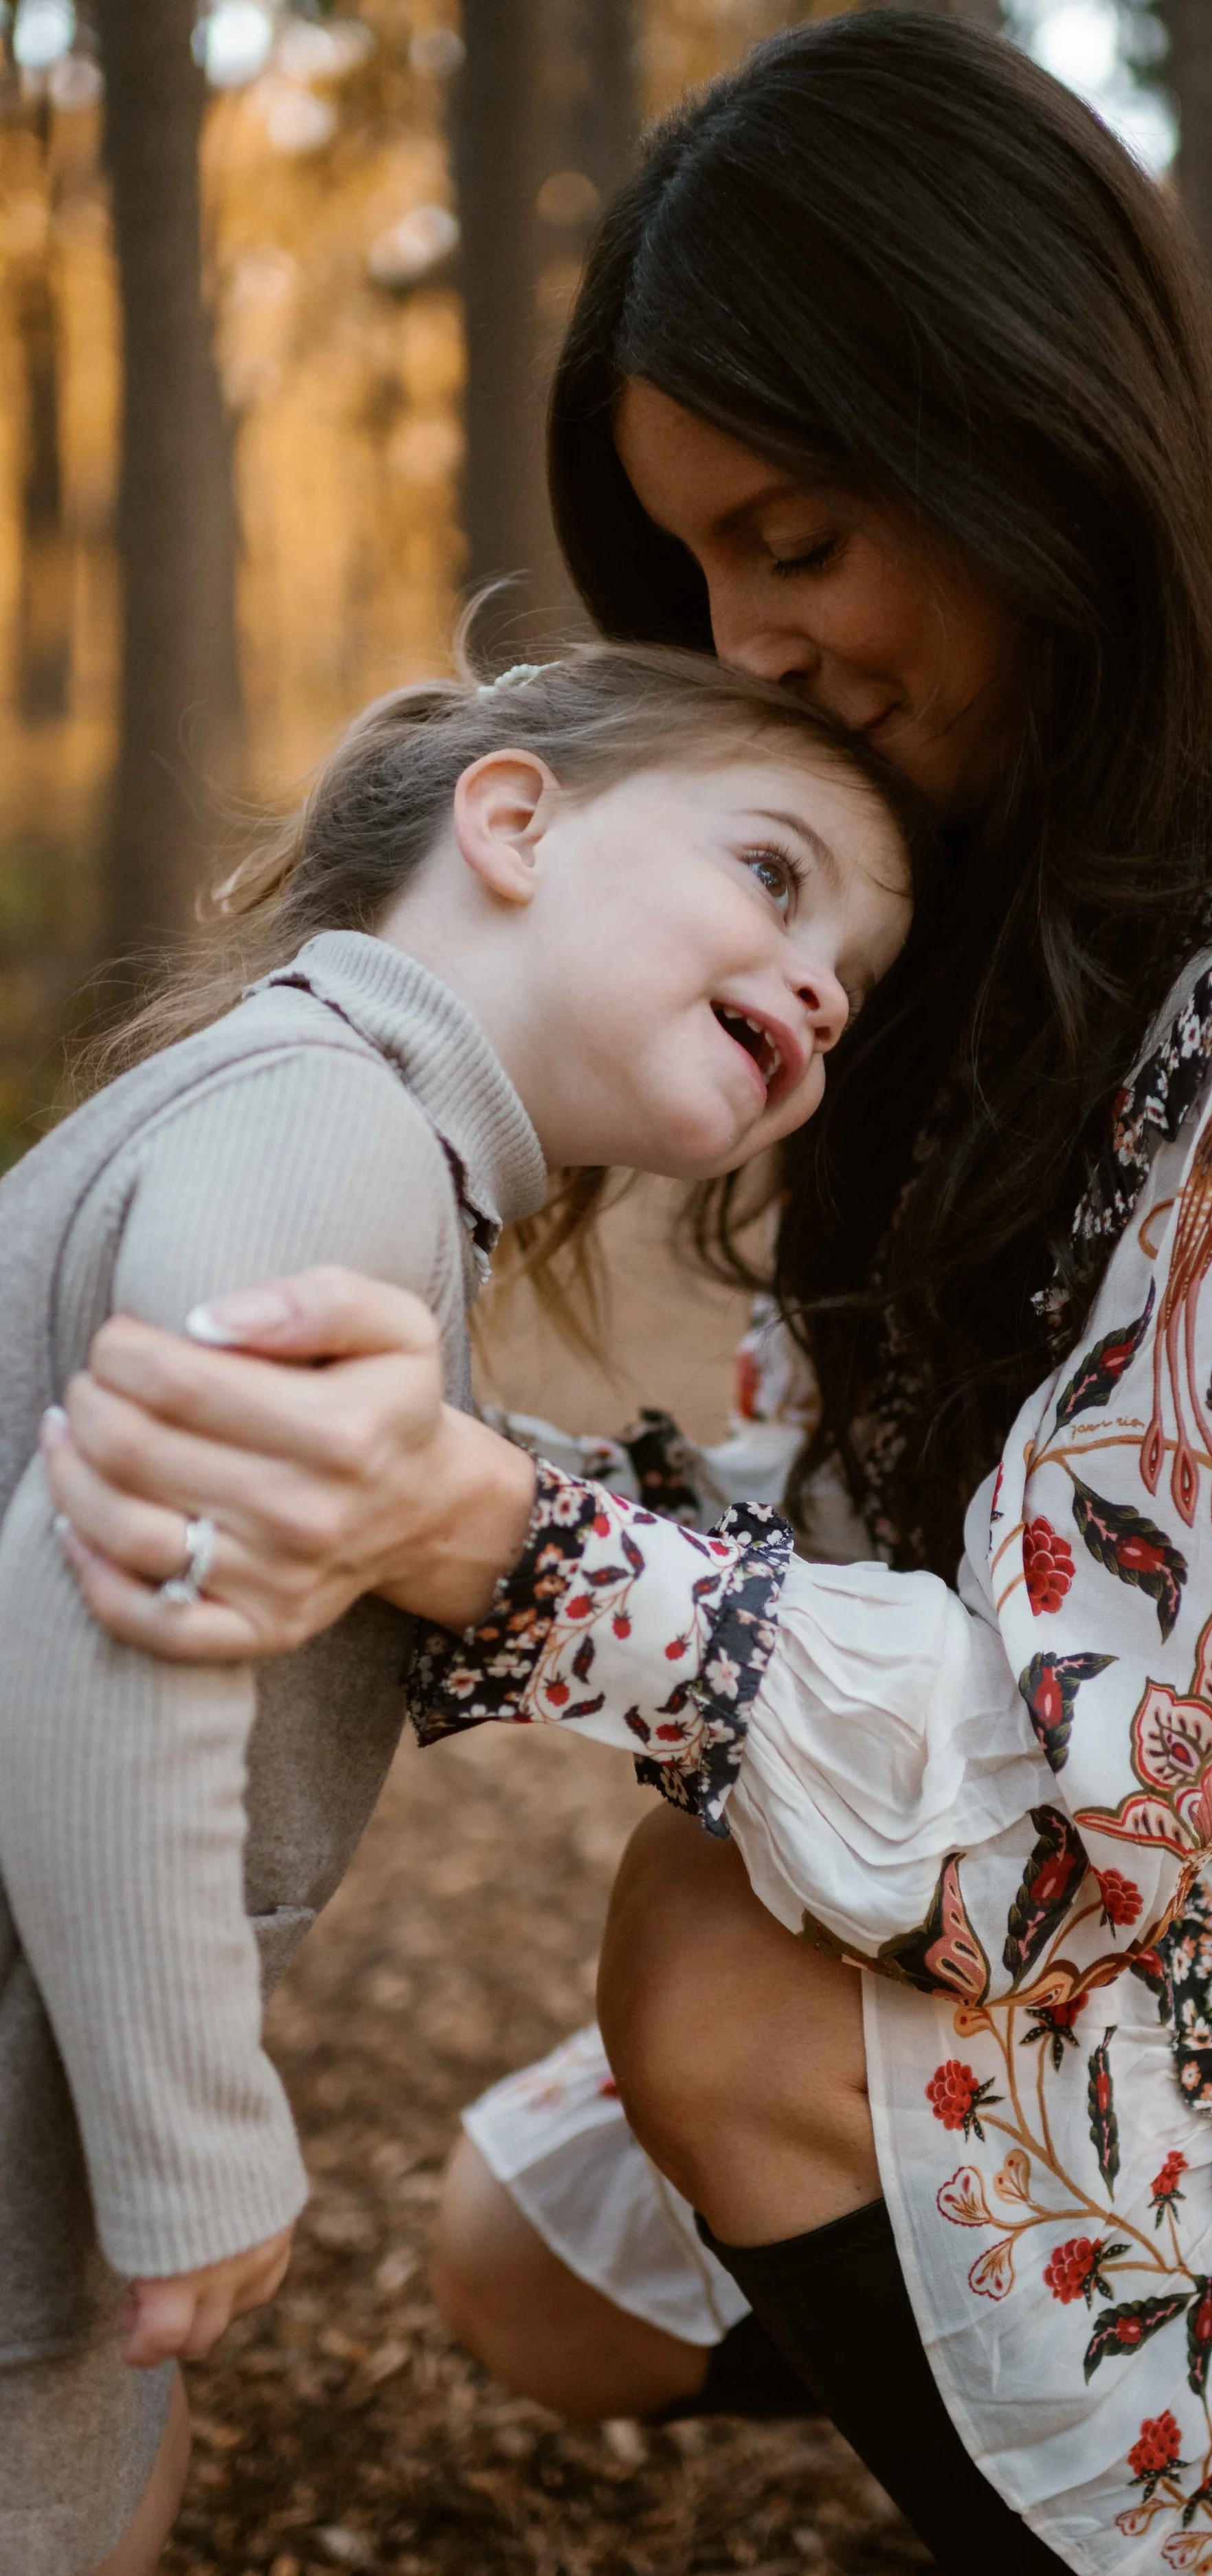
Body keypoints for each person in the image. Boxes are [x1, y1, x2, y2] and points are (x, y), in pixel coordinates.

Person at [45, 12, 1212, 2572]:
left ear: (1026, 431)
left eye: (801, 540)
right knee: (530, 2272)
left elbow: (1072, 1805)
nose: (755, 639)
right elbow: (929, 1529)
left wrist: (494, 1533)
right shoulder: (1021, 878)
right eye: (698, 567)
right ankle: (1089, 2388)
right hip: (1203, 1881)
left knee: (718, 1981)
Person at [1, 640, 913, 2576]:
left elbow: (405, 1494)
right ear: (512, 821)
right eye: (774, 874)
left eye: (856, 975)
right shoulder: (329, 1136)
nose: (824, 987)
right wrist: (191, 2137)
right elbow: (104, 1633)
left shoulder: (333, 1125)